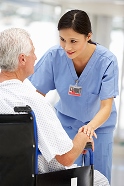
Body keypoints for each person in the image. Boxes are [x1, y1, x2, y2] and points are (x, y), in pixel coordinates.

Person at [0, 28, 110, 186]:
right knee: (100, 180)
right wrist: (84, 136)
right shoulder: (33, 102)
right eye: (33, 52)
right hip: (36, 177)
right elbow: (66, 158)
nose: (36, 57)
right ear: (22, 59)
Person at [28, 9, 119, 184]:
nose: (67, 47)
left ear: (88, 36)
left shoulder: (107, 61)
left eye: (73, 41)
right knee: (67, 177)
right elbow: (36, 94)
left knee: (100, 179)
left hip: (99, 127)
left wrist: (89, 129)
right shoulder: (54, 55)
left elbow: (106, 106)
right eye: (62, 39)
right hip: (66, 125)